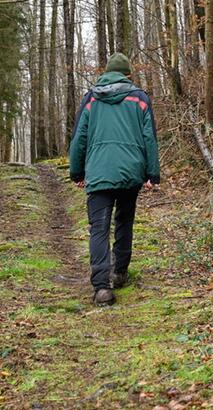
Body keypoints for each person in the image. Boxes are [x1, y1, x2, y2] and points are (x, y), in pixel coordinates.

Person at [69, 52, 161, 306]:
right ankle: (119, 272)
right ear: (128, 74)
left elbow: (79, 138)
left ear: (106, 73)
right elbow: (149, 138)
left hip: (98, 170)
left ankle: (101, 288)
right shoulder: (139, 98)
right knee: (124, 221)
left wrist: (77, 172)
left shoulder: (91, 99)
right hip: (131, 171)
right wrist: (153, 173)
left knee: (98, 228)